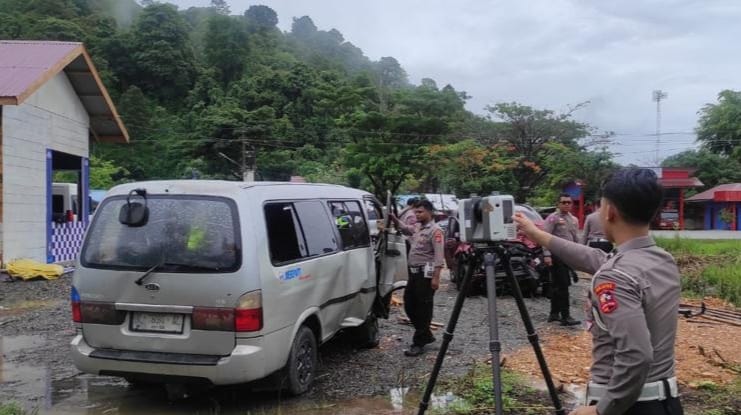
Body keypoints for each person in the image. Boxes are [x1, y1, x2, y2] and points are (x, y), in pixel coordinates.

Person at [513, 168, 683, 415]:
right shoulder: (661, 260)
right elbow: (595, 258)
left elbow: (636, 354)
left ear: (610, 211)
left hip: (629, 407)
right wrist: (537, 234)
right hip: (665, 403)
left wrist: (601, 410)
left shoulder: (615, 276)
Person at [391, 199, 445, 357]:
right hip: (414, 273)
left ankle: (419, 342)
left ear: (430, 211)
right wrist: (395, 220)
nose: (417, 215)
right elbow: (406, 230)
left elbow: (439, 257)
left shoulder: (436, 231)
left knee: (423, 308)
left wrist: (436, 278)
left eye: (420, 212)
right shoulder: (418, 227)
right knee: (409, 304)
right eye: (415, 212)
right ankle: (426, 334)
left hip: (425, 275)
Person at [543, 193, 581, 326]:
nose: (566, 204)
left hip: (568, 255)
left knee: (558, 285)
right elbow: (545, 236)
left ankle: (554, 314)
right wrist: (546, 254)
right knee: (563, 285)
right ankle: (566, 316)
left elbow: (575, 238)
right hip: (556, 255)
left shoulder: (573, 219)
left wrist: (578, 253)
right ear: (558, 204)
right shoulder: (553, 218)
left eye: (569, 202)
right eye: (563, 202)